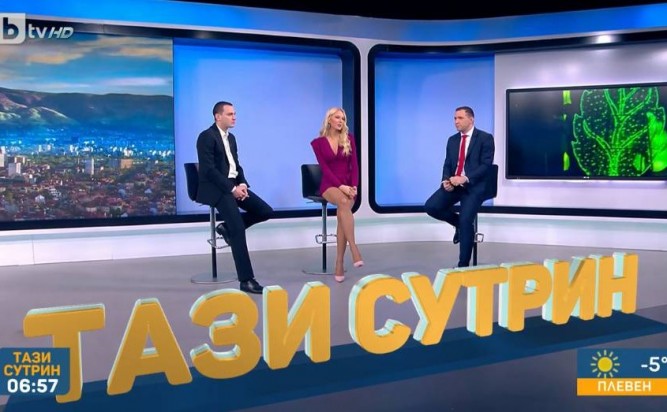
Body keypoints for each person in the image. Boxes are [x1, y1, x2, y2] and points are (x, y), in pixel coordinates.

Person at [196, 101, 273, 294]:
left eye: (234, 114)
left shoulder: (231, 138)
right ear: (217, 116)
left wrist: (243, 184)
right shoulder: (206, 137)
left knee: (265, 211)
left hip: (232, 185)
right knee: (238, 229)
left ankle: (226, 228)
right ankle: (246, 280)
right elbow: (209, 170)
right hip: (214, 187)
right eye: (230, 114)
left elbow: (236, 166)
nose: (234, 117)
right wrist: (232, 189)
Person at [424, 106, 495, 268]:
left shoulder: (485, 138)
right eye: (455, 118)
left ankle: (463, 266)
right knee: (431, 207)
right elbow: (448, 164)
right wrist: (445, 181)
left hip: (474, 186)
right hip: (454, 184)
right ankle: (458, 224)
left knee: (466, 220)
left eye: (460, 118)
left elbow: (486, 166)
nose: (456, 121)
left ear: (471, 119)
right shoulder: (452, 140)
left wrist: (465, 178)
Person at [310, 107, 363, 283]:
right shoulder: (317, 143)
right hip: (330, 185)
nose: (341, 121)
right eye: (337, 117)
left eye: (343, 118)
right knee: (343, 201)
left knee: (343, 208)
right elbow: (325, 169)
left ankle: (339, 263)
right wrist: (341, 187)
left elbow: (355, 166)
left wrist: (354, 186)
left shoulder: (349, 139)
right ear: (329, 120)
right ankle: (354, 249)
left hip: (348, 185)